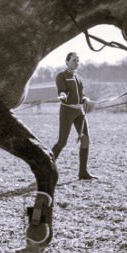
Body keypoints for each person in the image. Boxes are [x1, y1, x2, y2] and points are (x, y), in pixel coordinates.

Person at [51, 52, 97, 180]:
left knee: (85, 139)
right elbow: (62, 90)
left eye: (78, 60)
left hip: (79, 112)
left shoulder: (78, 77)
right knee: (62, 142)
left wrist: (84, 98)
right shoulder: (61, 76)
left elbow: (81, 94)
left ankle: (83, 172)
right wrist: (63, 95)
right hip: (67, 112)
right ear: (67, 62)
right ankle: (46, 169)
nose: (76, 63)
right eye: (73, 60)